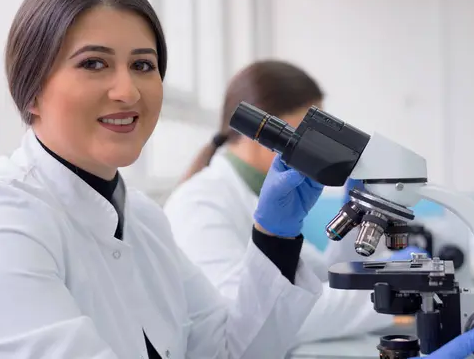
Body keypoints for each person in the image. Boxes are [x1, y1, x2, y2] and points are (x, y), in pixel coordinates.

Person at [0, 0, 327, 359]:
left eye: (143, 65)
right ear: (30, 91)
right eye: (94, 63)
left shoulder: (144, 220)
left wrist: (274, 237)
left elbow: (230, 350)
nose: (128, 91)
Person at [164, 60, 424, 346]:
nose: (323, 147)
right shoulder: (199, 203)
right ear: (267, 131)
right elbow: (267, 317)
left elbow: (320, 277)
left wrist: (360, 223)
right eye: (314, 133)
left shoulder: (272, 198)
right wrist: (396, 289)